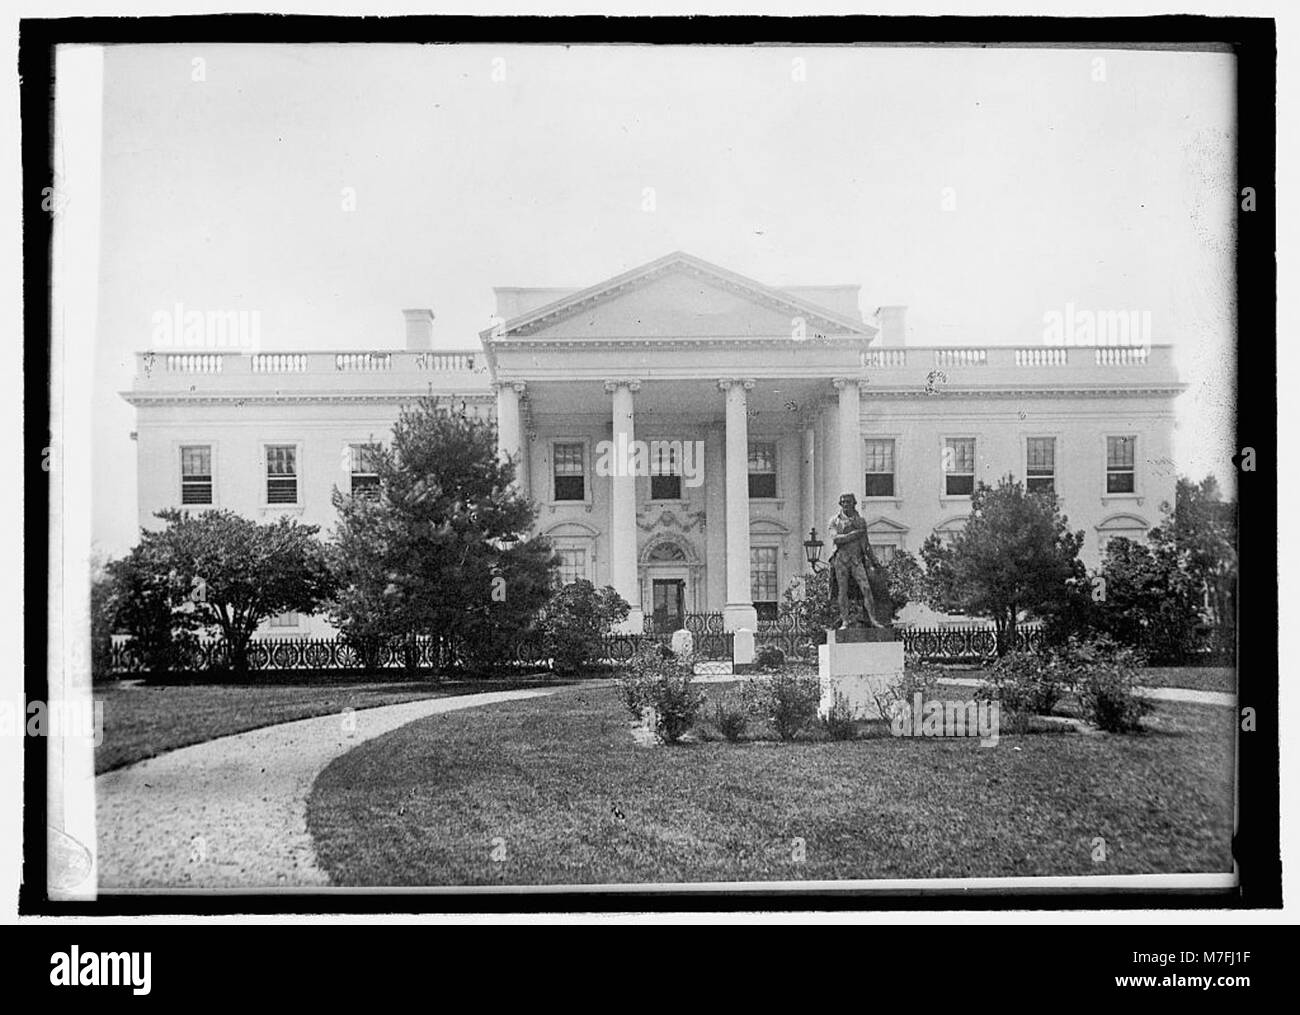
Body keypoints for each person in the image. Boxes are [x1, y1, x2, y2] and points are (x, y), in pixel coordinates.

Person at [827, 492, 882, 628]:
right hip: (841, 559)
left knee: (867, 589)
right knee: (842, 590)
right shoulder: (834, 521)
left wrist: (874, 561)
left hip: (856, 559)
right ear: (840, 504)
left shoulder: (860, 521)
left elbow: (866, 544)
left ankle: (873, 619)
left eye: (848, 502)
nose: (846, 504)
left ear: (854, 503)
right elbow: (836, 539)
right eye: (843, 502)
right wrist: (854, 534)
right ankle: (845, 620)